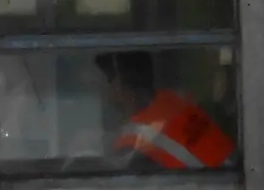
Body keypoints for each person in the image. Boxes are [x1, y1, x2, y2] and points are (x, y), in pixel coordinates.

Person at [95, 51, 235, 170]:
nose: (102, 86)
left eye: (107, 79)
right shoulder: (173, 99)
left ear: (119, 85)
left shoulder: (132, 144)